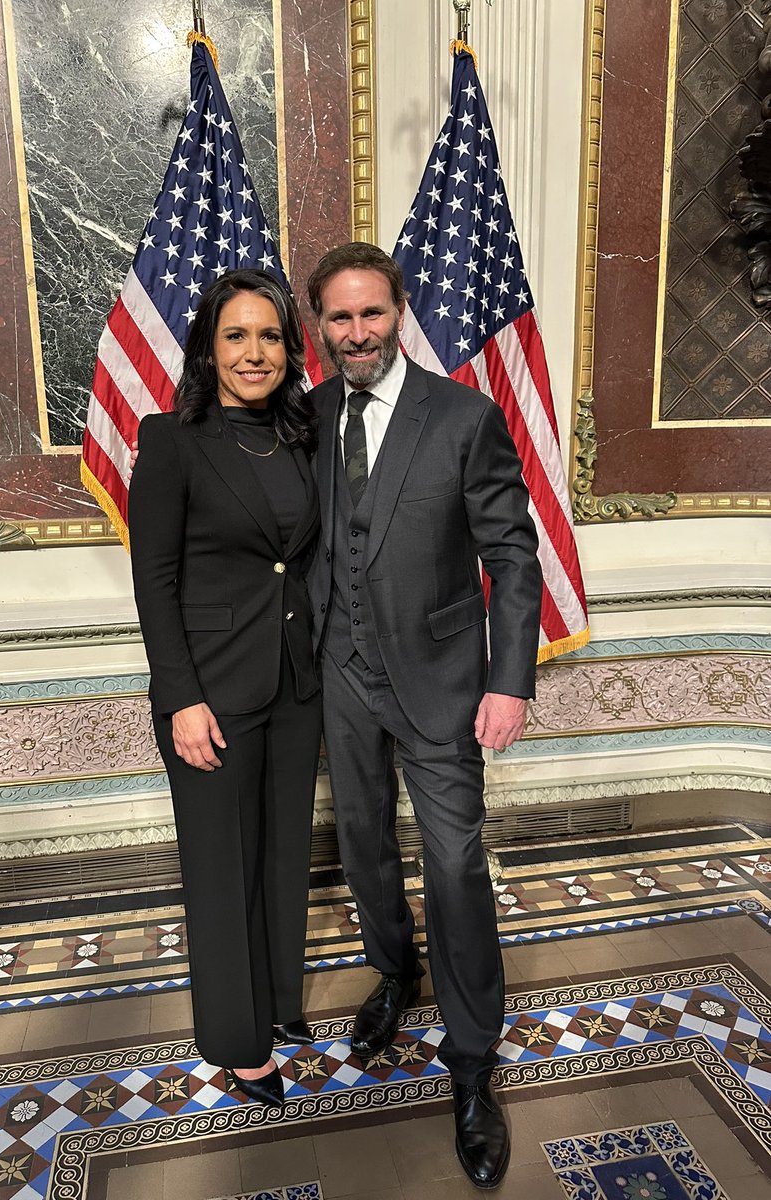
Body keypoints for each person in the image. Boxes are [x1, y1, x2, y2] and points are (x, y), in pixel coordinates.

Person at [305, 242, 542, 1190]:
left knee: (451, 865)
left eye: (372, 314)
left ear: (399, 311)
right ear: (318, 325)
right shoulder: (309, 414)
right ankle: (393, 971)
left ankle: (475, 1065)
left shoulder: (464, 416)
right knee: (363, 844)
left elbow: (513, 556)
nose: (356, 333)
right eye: (338, 318)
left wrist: (510, 680)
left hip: (444, 679)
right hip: (340, 674)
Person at [128, 268, 322, 1107]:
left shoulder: (304, 433)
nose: (255, 352)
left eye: (271, 335)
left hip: (296, 683)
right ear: (209, 347)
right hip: (211, 690)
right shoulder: (171, 440)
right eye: (237, 335)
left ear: (290, 347)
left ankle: (278, 1003)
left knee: (281, 857)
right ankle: (240, 1043)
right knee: (221, 867)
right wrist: (181, 699)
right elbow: (154, 580)